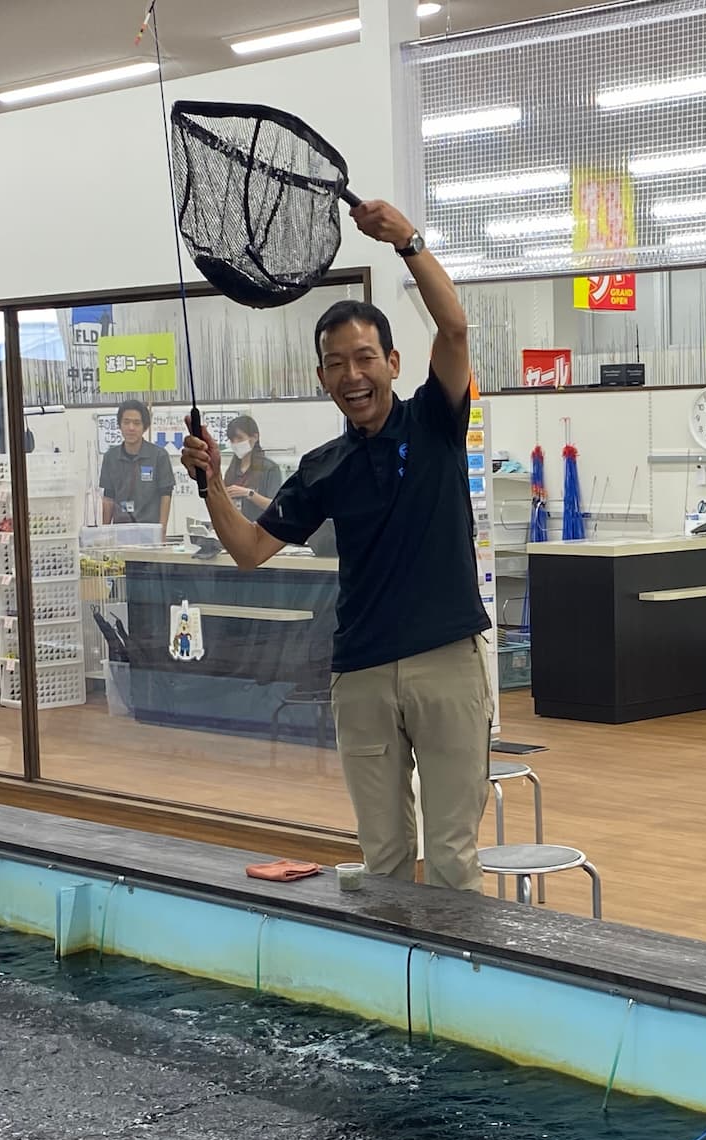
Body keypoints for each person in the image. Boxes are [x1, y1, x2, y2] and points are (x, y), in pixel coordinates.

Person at [180, 198, 492, 892]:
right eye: (336, 364)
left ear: (391, 362)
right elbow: (250, 550)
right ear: (322, 377)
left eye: (365, 359)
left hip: (447, 663)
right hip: (361, 675)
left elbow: (456, 324)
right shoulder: (321, 467)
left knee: (451, 859)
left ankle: (455, 991)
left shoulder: (435, 422)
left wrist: (406, 240)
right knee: (382, 861)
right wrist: (210, 486)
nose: (353, 375)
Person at [100, 398, 174, 531]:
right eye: (126, 422)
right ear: (119, 425)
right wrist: (105, 532)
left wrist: (162, 531)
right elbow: (108, 497)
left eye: (137, 423)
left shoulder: (159, 456)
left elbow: (166, 495)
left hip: (150, 530)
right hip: (120, 530)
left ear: (145, 427)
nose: (131, 428)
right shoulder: (110, 457)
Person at [223, 415, 285, 522]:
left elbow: (274, 506)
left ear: (255, 438)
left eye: (240, 438)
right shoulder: (232, 470)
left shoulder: (270, 468)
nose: (235, 443)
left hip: (260, 530)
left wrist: (249, 494)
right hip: (235, 528)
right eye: (232, 440)